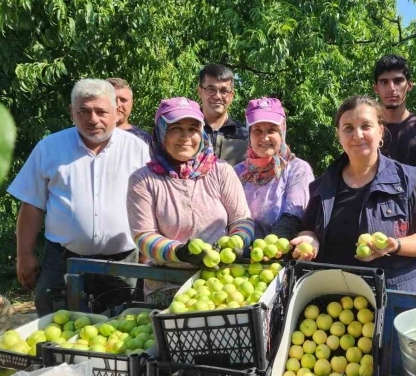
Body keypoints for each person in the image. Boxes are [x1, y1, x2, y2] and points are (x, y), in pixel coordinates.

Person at [8, 79, 150, 315]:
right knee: (56, 325)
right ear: (71, 112)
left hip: (123, 263)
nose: (93, 119)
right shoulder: (49, 147)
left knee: (120, 330)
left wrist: (147, 254)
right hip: (63, 261)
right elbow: (32, 204)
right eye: (83, 111)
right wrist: (24, 255)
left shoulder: (137, 149)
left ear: (116, 111)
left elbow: (149, 204)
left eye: (101, 111)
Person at [292, 96, 416, 292]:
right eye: (348, 128)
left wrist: (395, 245)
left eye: (366, 126)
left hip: (393, 298)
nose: (357, 134)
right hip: (337, 301)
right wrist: (309, 239)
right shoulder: (322, 186)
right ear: (339, 135)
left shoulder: (408, 180)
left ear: (380, 131)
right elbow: (310, 229)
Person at [127, 97, 254, 295]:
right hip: (166, 285)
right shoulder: (143, 180)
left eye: (193, 129)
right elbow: (143, 236)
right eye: (175, 128)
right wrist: (178, 253)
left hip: (221, 284)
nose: (185, 136)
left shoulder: (221, 171)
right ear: (161, 132)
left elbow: (242, 219)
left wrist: (237, 241)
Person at [234, 97, 314, 240]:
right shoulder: (237, 172)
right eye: (257, 130)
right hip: (237, 257)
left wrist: (272, 245)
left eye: (272, 130)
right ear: (249, 133)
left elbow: (293, 217)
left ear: (282, 131)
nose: (265, 138)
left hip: (280, 256)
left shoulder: (297, 169)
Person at [372, 54, 416, 167]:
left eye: (398, 81)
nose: (391, 88)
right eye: (384, 82)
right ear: (375, 88)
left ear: (409, 85)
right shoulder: (367, 129)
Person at [196, 64, 248, 166]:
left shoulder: (244, 136)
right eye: (211, 89)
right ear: (200, 91)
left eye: (224, 91)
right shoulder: (188, 131)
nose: (217, 96)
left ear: (232, 96)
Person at [106, 78, 152, 145]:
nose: (118, 105)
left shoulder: (144, 139)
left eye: (123, 100)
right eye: (113, 99)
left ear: (132, 103)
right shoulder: (90, 138)